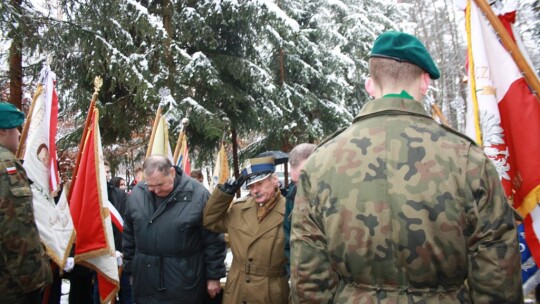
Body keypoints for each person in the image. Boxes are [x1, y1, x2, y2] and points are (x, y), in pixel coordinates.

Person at [290, 31, 523, 303]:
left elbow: (308, 280)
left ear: (369, 84)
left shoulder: (320, 163)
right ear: (425, 82)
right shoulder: (468, 160)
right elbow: (498, 279)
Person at [123, 155, 226, 303]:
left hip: (183, 282)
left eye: (160, 185)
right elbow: (129, 235)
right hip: (145, 282)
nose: (155, 191)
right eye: (150, 185)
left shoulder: (198, 195)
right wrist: (132, 270)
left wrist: (213, 276)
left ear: (171, 172)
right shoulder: (137, 194)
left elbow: (213, 239)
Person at [203, 156, 290, 303]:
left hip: (270, 292)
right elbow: (210, 221)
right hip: (237, 289)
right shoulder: (239, 208)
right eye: (250, 186)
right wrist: (224, 195)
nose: (255, 190)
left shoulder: (290, 212)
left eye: (260, 184)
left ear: (274, 180)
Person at [0, 102, 52, 303]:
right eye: (16, 128)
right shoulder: (7, 166)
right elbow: (15, 228)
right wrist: (33, 280)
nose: (19, 134)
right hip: (11, 284)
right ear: (4, 131)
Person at [282, 143, 316, 276]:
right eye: (295, 182)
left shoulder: (334, 196)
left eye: (303, 180)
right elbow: (289, 242)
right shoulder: (292, 197)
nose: (299, 188)